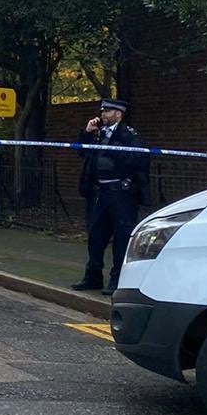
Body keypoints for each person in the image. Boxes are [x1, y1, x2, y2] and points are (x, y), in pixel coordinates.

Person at [73, 98, 150, 295]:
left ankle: (117, 279)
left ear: (118, 114)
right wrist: (87, 133)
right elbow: (81, 152)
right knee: (96, 236)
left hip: (121, 194)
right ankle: (92, 277)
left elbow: (139, 158)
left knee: (122, 237)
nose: (103, 115)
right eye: (103, 111)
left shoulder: (128, 134)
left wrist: (114, 150)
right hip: (100, 192)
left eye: (107, 112)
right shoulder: (98, 134)